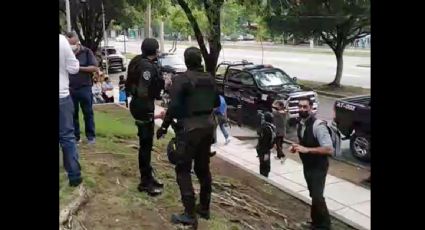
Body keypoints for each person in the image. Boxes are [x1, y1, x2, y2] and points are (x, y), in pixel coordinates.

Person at [156, 47, 220, 227]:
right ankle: (205, 207)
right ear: (200, 60)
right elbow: (216, 102)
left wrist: (164, 127)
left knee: (183, 169)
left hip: (189, 129)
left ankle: (190, 213)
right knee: (203, 168)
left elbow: (173, 107)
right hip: (208, 126)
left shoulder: (181, 80)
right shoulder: (210, 78)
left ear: (186, 61)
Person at [125, 38, 165, 196]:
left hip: (139, 104)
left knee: (146, 144)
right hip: (143, 106)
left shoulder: (137, 60)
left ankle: (148, 176)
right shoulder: (147, 68)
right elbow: (143, 90)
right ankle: (145, 182)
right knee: (145, 145)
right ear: (154, 51)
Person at [289, 97, 333, 230]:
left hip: (318, 167)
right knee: (313, 194)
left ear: (311, 108)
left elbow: (329, 149)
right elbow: (305, 143)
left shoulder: (318, 126)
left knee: (317, 195)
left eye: (305, 107)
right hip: (308, 166)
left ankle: (324, 226)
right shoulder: (301, 123)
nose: (302, 109)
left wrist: (307, 150)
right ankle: (315, 223)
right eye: (300, 106)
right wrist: (297, 147)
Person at [66, 32, 99, 144]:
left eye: (73, 44)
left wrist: (78, 68)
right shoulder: (66, 53)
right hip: (70, 88)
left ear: (78, 42)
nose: (72, 47)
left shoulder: (87, 52)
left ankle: (91, 136)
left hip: (85, 87)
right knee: (73, 114)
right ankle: (76, 137)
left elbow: (94, 67)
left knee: (88, 113)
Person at [59, 34, 82, 187]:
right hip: (61, 96)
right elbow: (74, 68)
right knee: (67, 136)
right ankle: (74, 175)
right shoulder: (61, 41)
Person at [256, 111, 276, 177]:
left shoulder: (265, 127)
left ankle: (264, 175)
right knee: (265, 164)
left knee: (263, 163)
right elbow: (266, 140)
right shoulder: (268, 128)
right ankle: (264, 176)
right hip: (265, 150)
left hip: (263, 149)